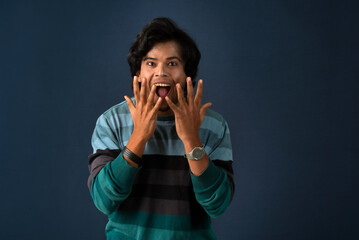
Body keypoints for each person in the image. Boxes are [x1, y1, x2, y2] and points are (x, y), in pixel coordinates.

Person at [88, 17, 234, 240]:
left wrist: (192, 140)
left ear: (188, 74)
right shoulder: (111, 122)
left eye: (172, 63)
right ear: (138, 72)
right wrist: (138, 137)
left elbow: (218, 204)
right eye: (151, 63)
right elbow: (104, 201)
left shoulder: (213, 125)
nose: (161, 72)